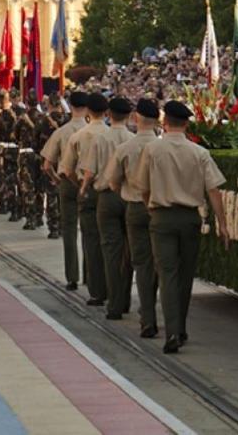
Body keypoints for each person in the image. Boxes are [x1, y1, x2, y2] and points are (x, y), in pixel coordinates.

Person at [140, 100, 230, 354]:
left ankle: (172, 332)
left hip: (161, 217)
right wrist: (222, 223)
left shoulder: (152, 150)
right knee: (185, 275)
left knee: (167, 273)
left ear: (164, 123)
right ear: (187, 124)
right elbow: (214, 190)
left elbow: (143, 187)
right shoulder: (199, 152)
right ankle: (179, 327)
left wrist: (151, 208)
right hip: (190, 218)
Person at [107, 98, 161, 337]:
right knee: (162, 263)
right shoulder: (163, 146)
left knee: (141, 264)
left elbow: (113, 182)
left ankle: (147, 317)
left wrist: (128, 195)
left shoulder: (125, 147)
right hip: (160, 208)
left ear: (136, 118)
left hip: (136, 208)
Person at [84, 96, 134, 320]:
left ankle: (114, 305)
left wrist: (84, 188)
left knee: (111, 251)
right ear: (130, 116)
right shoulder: (133, 139)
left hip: (107, 197)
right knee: (129, 251)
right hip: (130, 197)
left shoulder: (100, 138)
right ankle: (125, 299)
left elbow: (90, 170)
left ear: (109, 115)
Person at [62, 92, 109, 305]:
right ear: (106, 112)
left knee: (91, 241)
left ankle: (96, 290)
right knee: (112, 243)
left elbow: (67, 169)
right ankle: (115, 292)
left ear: (89, 112)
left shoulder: (77, 136)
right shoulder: (118, 136)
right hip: (110, 192)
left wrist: (80, 186)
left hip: (88, 191)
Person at [41, 91, 89, 287]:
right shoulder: (95, 132)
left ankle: (72, 277)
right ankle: (90, 275)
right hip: (87, 184)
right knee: (89, 231)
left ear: (69, 105)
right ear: (87, 108)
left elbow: (46, 164)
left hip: (66, 184)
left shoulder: (61, 131)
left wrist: (56, 179)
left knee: (69, 230)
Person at [36, 95, 67, 239]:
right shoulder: (68, 120)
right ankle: (64, 225)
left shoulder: (42, 120)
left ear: (48, 105)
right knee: (65, 195)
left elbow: (35, 142)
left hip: (49, 160)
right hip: (66, 162)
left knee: (51, 194)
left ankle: (54, 227)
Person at [0, 92, 21, 220]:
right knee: (12, 179)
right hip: (12, 150)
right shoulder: (16, 114)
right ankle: (15, 207)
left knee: (0, 178)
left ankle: (3, 204)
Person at [14, 101, 43, 231]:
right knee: (39, 187)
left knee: (27, 188)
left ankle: (30, 219)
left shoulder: (22, 119)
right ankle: (39, 217)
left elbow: (15, 136)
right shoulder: (43, 118)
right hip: (40, 156)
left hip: (25, 155)